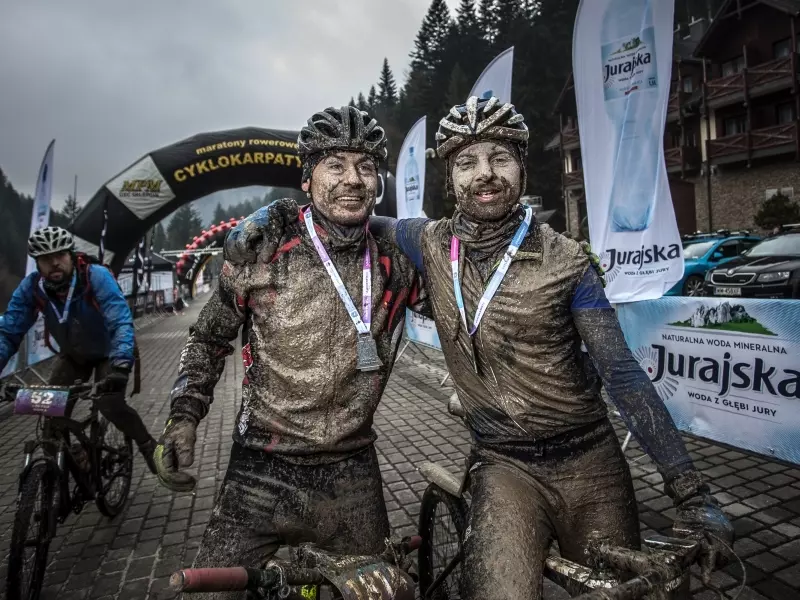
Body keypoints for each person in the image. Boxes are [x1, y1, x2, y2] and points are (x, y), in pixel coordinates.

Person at [228, 97, 735, 600]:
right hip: (503, 463)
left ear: (522, 167)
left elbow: (622, 374)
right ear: (450, 179)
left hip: (591, 463)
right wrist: (278, 214)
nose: (485, 173)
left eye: (500, 158)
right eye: (467, 162)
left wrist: (691, 492)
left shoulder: (567, 262)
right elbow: (352, 218)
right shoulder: (428, 242)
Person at [154, 106, 425, 600]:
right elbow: (209, 338)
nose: (353, 179)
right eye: (335, 165)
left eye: (365, 166)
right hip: (260, 468)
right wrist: (184, 416)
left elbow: (466, 304)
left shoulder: (397, 258)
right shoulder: (262, 247)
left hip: (351, 472)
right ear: (306, 179)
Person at [0, 226, 157, 473]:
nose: (54, 263)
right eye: (45, 258)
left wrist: (121, 365)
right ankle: (67, 468)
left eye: (60, 255)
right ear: (37, 264)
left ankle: (149, 447)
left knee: (109, 404)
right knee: (51, 419)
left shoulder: (95, 277)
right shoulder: (32, 288)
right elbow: (8, 332)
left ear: (71, 256)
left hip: (108, 353)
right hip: (74, 356)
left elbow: (120, 322)